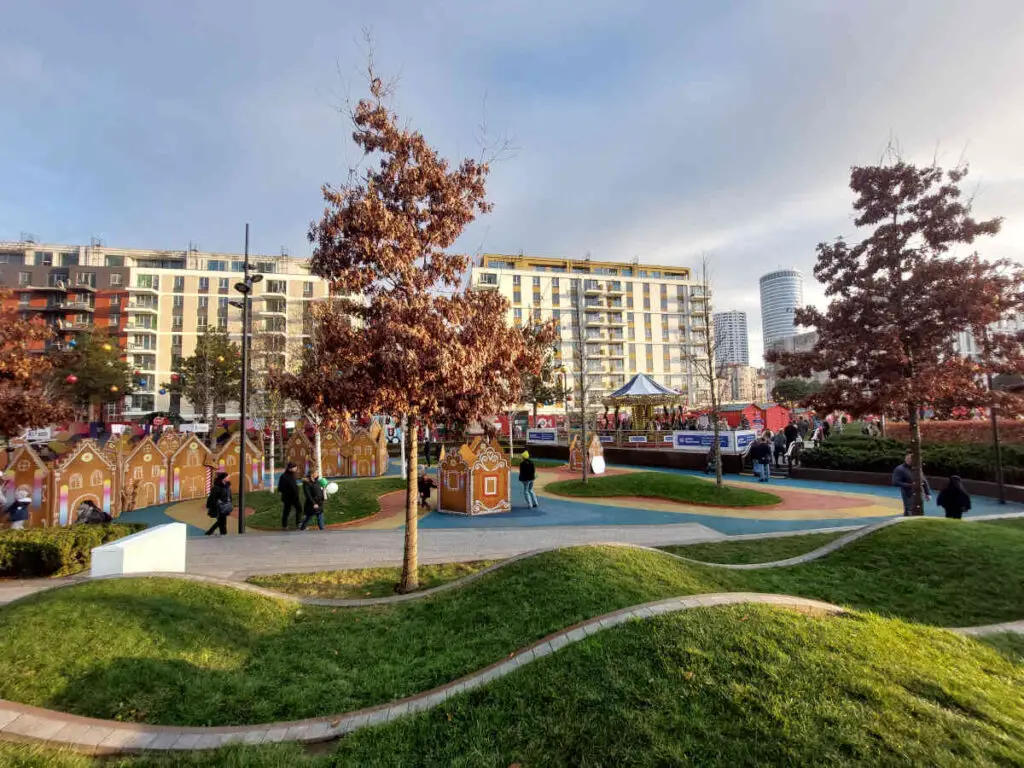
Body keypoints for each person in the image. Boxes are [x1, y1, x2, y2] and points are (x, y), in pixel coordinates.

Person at [277, 462, 302, 530]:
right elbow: (292, 487)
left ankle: (285, 525)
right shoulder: (289, 476)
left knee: (286, 511)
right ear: (290, 468)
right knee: (298, 509)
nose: (296, 468)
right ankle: (298, 523)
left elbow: (280, 488)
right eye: (295, 467)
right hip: (292, 497)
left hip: (287, 497)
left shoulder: (284, 476)